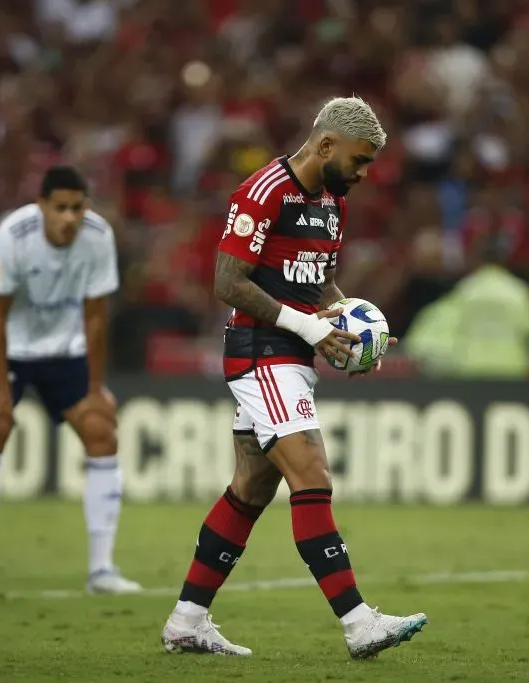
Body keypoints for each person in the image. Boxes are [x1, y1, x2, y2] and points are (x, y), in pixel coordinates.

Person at [160, 97, 428, 658]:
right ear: (326, 145)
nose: (362, 173)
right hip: (260, 352)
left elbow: (319, 284)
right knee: (312, 475)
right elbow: (228, 284)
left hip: (290, 354)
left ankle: (187, 619)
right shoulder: (262, 193)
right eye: (358, 161)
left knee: (252, 487)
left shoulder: (333, 202)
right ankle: (360, 624)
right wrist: (309, 330)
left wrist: (355, 329)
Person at [0, 165, 141, 596]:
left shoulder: (99, 236)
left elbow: (96, 317)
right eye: (59, 208)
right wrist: (2, 389)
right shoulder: (13, 235)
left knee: (101, 432)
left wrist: (97, 390)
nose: (69, 217)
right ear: (41, 205)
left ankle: (102, 569)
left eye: (77, 207)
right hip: (7, 346)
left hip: (65, 348)